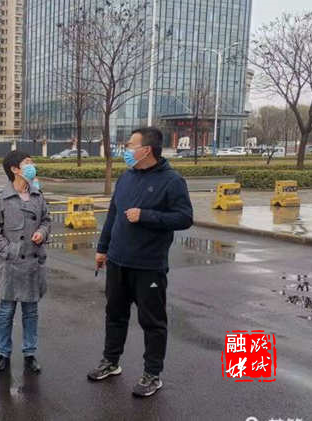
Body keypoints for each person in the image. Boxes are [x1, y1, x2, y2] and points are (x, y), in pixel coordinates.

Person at [88, 127, 193, 397]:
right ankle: (111, 361)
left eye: (130, 145)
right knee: (115, 315)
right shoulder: (126, 177)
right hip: (118, 261)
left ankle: (152, 374)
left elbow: (184, 217)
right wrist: (102, 249)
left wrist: (146, 215)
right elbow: (113, 214)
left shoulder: (172, 181)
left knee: (152, 322)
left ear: (146, 150)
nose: (125, 149)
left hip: (149, 266)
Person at [0, 150, 51, 375]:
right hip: (10, 265)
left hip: (33, 263)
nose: (32, 166)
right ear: (15, 169)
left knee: (31, 312)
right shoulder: (2, 198)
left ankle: (29, 352)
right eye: (27, 163)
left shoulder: (37, 195)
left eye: (32, 162)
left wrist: (42, 233)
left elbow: (46, 220)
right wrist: (9, 251)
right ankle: (3, 353)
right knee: (6, 312)